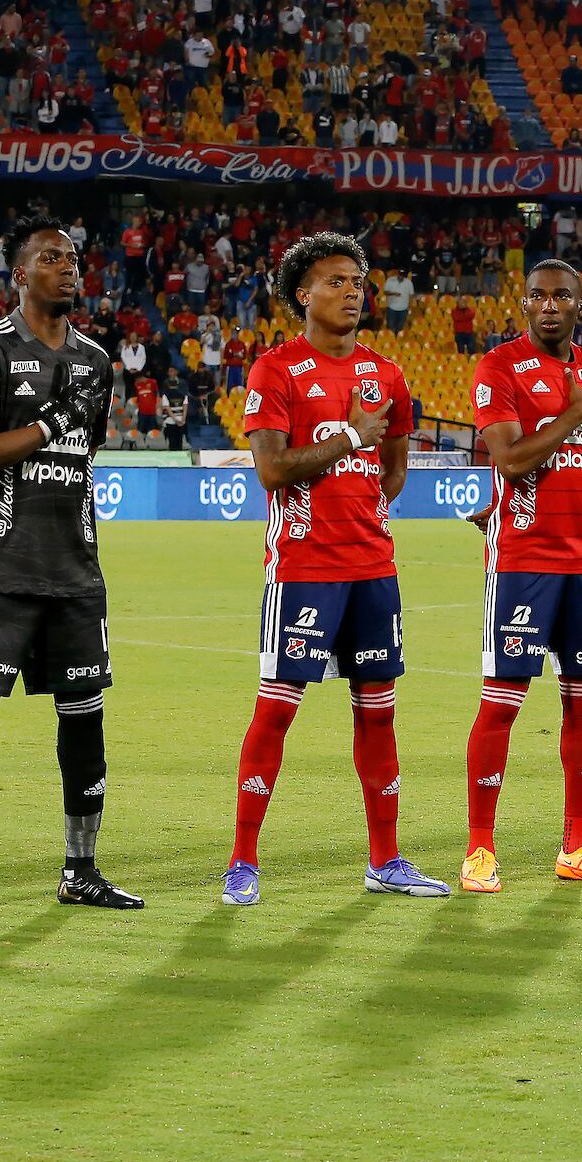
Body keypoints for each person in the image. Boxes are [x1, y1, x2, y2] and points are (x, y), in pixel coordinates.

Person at [223, 232, 449, 906]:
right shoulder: (276, 371)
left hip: (373, 569)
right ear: (303, 294)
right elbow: (271, 469)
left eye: (358, 281)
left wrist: (368, 500)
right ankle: (242, 861)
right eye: (336, 282)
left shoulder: (387, 375)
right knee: (276, 712)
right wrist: (350, 436)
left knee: (378, 714)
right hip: (303, 568)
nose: (352, 292)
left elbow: (395, 463)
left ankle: (386, 860)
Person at [0, 218, 138, 920]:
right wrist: (50, 422)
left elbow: (81, 458)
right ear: (20, 275)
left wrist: (55, 433)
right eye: (51, 258)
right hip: (0, 572)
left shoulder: (96, 361)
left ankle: (82, 869)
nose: (68, 268)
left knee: (84, 720)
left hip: (75, 574)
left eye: (73, 258)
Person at [458, 260, 582, 895]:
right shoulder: (499, 367)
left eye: (563, 296)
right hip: (524, 560)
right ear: (525, 305)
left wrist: (570, 486)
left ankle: (578, 846)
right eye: (538, 296)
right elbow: (509, 459)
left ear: (579, 306)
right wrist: (570, 415)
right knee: (503, 701)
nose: (551, 306)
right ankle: (480, 849)